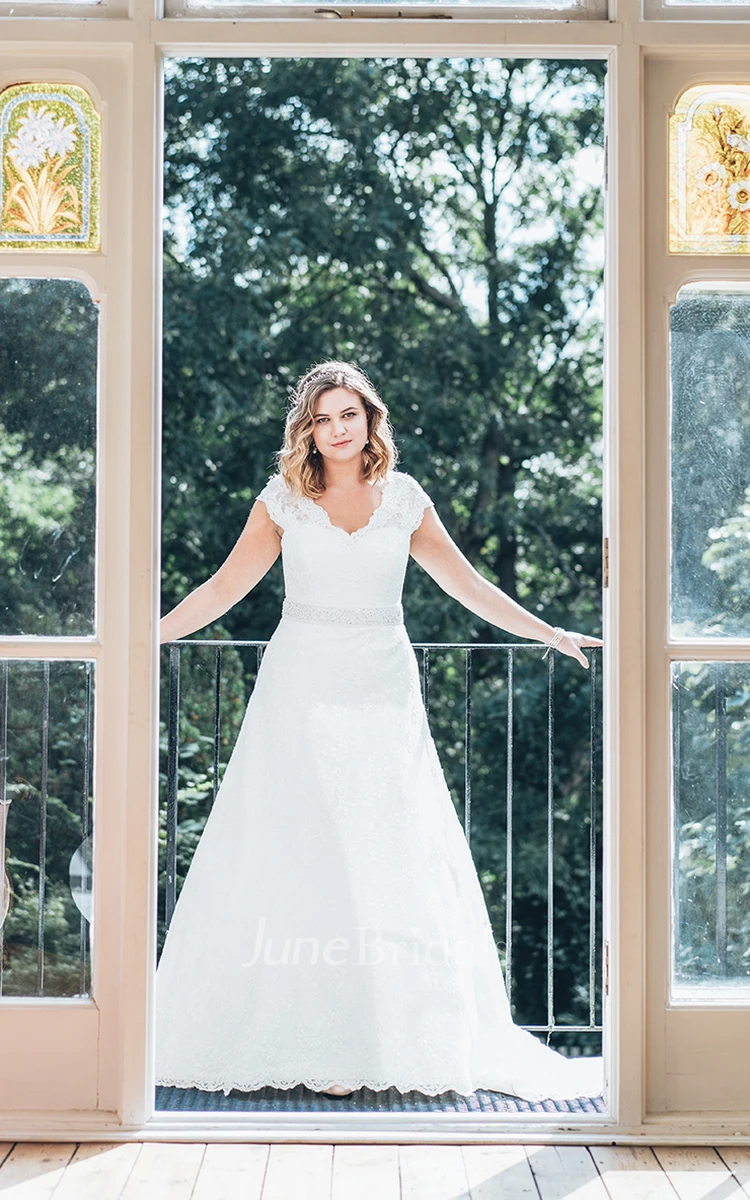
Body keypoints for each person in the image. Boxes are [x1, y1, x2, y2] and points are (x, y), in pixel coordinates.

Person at [154, 359, 604, 1101]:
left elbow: (467, 585)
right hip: (299, 687)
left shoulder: (405, 500)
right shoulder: (284, 501)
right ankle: (286, 1033)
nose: (336, 429)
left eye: (348, 415)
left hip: (381, 689)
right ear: (310, 428)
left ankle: (382, 1039)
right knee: (295, 846)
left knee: (385, 846)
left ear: (370, 421)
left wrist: (548, 631)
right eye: (323, 417)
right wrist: (149, 635)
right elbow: (225, 586)